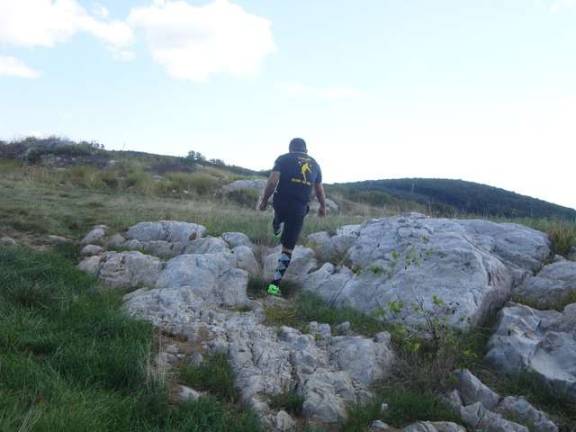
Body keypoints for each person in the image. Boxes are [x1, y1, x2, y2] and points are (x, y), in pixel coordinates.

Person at [257, 138, 326, 296]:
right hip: (299, 207)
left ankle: (277, 222)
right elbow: (320, 189)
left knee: (280, 215)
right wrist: (322, 206)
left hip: (281, 202)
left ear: (290, 149)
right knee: (288, 249)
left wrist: (264, 201)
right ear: (306, 150)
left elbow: (273, 181)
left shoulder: (283, 158)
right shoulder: (315, 163)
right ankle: (274, 286)